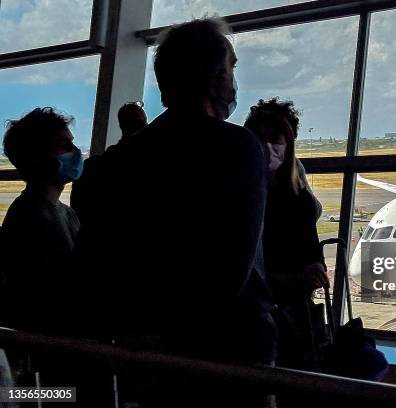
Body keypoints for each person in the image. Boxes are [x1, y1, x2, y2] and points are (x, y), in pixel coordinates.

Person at [71, 18, 275, 406]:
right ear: (216, 77)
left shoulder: (116, 163)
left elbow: (96, 265)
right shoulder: (235, 147)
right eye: (231, 67)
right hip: (225, 354)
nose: (233, 80)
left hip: (143, 354)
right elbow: (232, 268)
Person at [244, 98, 328, 370]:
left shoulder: (296, 197)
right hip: (271, 311)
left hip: (286, 313)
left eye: (276, 140)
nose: (269, 148)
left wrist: (313, 271)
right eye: (262, 139)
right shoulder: (289, 195)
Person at [0, 107, 82, 334]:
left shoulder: (64, 213)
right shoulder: (31, 218)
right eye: (64, 146)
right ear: (39, 156)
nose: (75, 151)